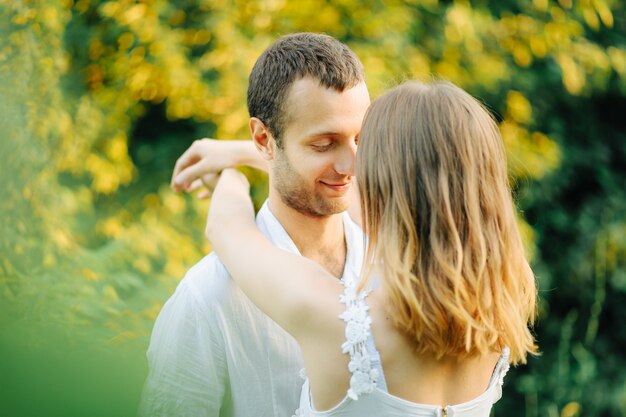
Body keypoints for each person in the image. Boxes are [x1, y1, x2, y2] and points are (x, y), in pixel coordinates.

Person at [205, 80, 538, 417]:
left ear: (383, 186)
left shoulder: (338, 323)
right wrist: (251, 152)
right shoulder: (498, 315)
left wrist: (231, 175)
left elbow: (226, 227)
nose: (350, 169)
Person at [140, 33, 370, 417]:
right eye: (324, 144)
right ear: (264, 139)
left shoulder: (393, 258)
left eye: (361, 138)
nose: (351, 165)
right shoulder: (207, 298)